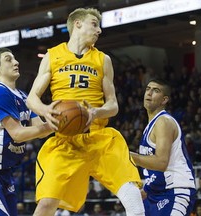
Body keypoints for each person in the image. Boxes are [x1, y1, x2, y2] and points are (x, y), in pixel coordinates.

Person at [26, 7, 145, 216]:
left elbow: (113, 105)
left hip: (99, 138)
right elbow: (32, 98)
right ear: (78, 24)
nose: (99, 30)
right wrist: (45, 110)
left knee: (132, 195)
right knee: (45, 205)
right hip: (65, 139)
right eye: (94, 24)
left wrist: (96, 113)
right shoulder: (52, 56)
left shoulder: (103, 59)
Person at [0, 48, 54, 216]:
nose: (16, 62)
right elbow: (18, 133)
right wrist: (53, 126)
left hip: (5, 172)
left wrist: (59, 121)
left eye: (15, 59)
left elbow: (40, 129)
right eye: (8, 59)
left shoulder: (23, 96)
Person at [130, 78, 196, 216]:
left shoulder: (163, 122)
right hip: (156, 193)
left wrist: (128, 155)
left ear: (164, 100)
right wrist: (147, 189)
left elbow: (161, 162)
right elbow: (154, 169)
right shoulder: (150, 125)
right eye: (148, 89)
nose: (149, 93)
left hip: (175, 190)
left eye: (156, 90)